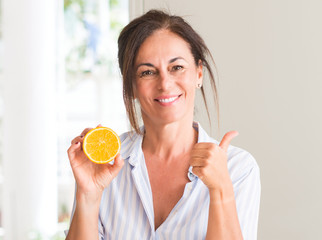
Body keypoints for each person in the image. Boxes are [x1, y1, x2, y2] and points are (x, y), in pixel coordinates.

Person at [66, 10, 260, 240]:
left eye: (177, 67)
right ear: (131, 87)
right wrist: (88, 196)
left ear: (198, 73)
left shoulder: (238, 169)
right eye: (147, 72)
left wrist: (221, 192)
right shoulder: (103, 164)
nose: (165, 84)